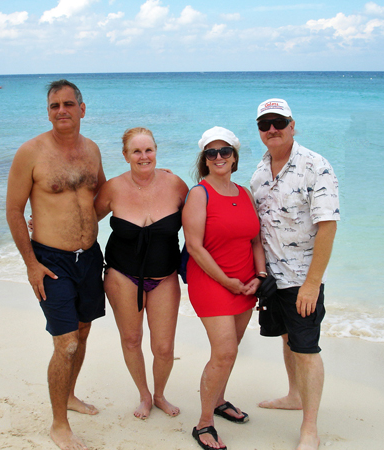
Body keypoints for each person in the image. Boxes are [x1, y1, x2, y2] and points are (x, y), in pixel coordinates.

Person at [6, 79, 106, 450]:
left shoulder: (92, 150)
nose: (61, 111)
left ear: (82, 108)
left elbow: (102, 196)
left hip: (90, 258)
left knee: (82, 334)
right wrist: (31, 264)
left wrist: (147, 197)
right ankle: (59, 424)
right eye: (54, 106)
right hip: (50, 261)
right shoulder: (30, 152)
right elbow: (14, 210)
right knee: (64, 343)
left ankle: (69, 395)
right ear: (48, 112)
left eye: (68, 104)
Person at [250, 98, 340, 450]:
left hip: (302, 279)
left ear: (292, 125)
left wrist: (313, 284)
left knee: (305, 348)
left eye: (278, 122)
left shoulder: (315, 165)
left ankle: (310, 429)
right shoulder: (259, 170)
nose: (272, 129)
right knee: (287, 339)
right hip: (272, 279)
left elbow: (328, 227)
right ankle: (293, 395)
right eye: (264, 124)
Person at [94, 127, 189, 419]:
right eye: (136, 151)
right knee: (131, 340)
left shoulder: (175, 185)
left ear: (156, 152)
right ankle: (144, 395)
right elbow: (84, 220)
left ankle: (159, 394)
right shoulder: (112, 188)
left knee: (163, 347)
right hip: (122, 276)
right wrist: (43, 223)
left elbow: (202, 222)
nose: (144, 156)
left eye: (149, 150)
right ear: (125, 156)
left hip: (164, 278)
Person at [183, 127, 266, 450]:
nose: (219, 158)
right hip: (211, 281)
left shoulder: (244, 192)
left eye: (225, 152)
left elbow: (255, 239)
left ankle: (218, 400)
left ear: (234, 157)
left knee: (232, 347)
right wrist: (226, 281)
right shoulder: (199, 193)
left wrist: (259, 275)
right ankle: (204, 423)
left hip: (246, 282)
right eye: (211, 153)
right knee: (225, 351)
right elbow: (194, 247)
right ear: (204, 160)